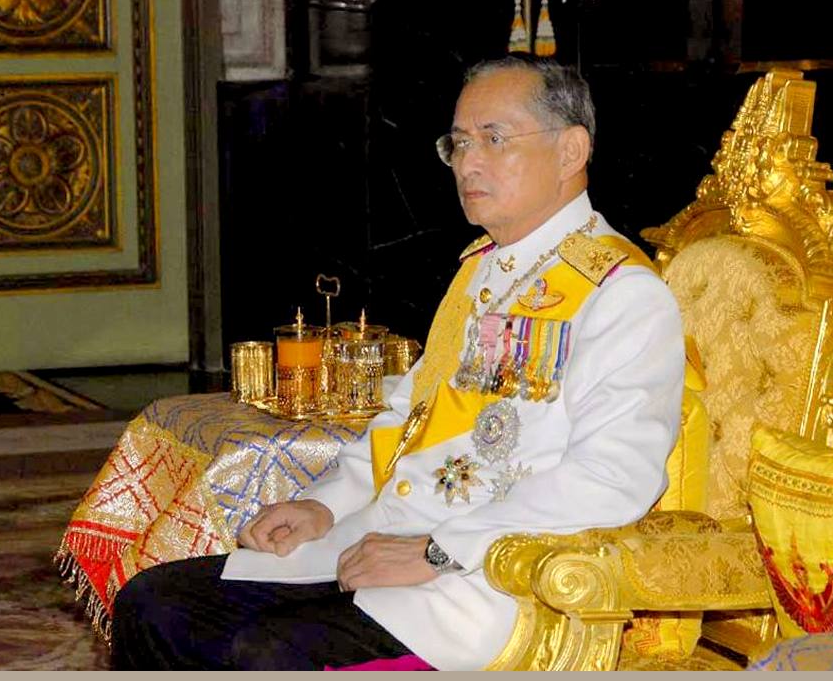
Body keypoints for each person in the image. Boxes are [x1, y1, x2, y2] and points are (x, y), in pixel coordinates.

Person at [110, 55, 686, 671]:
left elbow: (614, 477)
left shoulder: (620, 292)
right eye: (459, 143)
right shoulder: (484, 270)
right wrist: (325, 505)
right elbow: (410, 417)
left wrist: (437, 550)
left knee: (268, 651)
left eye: (494, 139)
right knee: (155, 603)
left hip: (485, 578)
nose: (468, 162)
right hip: (386, 541)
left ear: (571, 151)